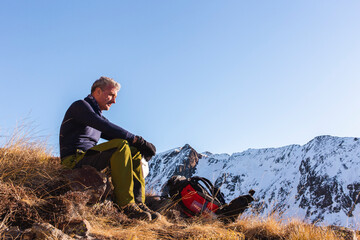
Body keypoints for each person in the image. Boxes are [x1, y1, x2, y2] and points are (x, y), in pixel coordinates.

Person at [59, 76, 160, 221]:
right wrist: (137, 139)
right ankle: (126, 204)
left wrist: (140, 146)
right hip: (73, 161)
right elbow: (104, 127)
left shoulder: (96, 115)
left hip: (87, 157)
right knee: (121, 145)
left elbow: (112, 131)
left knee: (133, 150)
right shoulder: (80, 106)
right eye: (111, 95)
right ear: (98, 91)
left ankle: (139, 202)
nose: (114, 101)